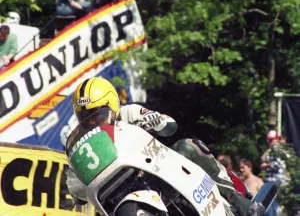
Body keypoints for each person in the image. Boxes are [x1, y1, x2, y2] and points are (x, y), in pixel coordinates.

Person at [66, 77, 265, 216]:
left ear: (112, 104)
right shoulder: (84, 140)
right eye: (85, 116)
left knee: (189, 146)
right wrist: (75, 187)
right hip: (114, 192)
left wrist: (156, 120)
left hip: (156, 173)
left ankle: (238, 199)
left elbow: (170, 125)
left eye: (97, 113)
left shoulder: (130, 113)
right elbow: (78, 176)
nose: (92, 121)